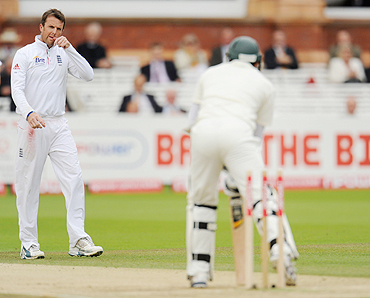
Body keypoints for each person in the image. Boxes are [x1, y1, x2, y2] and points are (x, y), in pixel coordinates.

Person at [185, 36, 299, 288]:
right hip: (239, 135)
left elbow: (191, 121)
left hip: (202, 133)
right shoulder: (265, 84)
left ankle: (199, 271)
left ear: (229, 57)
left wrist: (217, 158)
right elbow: (255, 136)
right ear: (257, 61)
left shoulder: (210, 74)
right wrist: (236, 171)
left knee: (201, 202)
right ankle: (280, 250)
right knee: (260, 196)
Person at [11, 9, 103, 260]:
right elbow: (16, 90)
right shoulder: (25, 54)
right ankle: (28, 243)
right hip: (32, 124)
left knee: (74, 178)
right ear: (41, 27)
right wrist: (29, 113)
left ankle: (78, 240)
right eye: (51, 27)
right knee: (28, 185)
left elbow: (88, 74)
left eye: (59, 29)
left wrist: (70, 48)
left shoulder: (63, 52)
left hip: (58, 123)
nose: (54, 33)